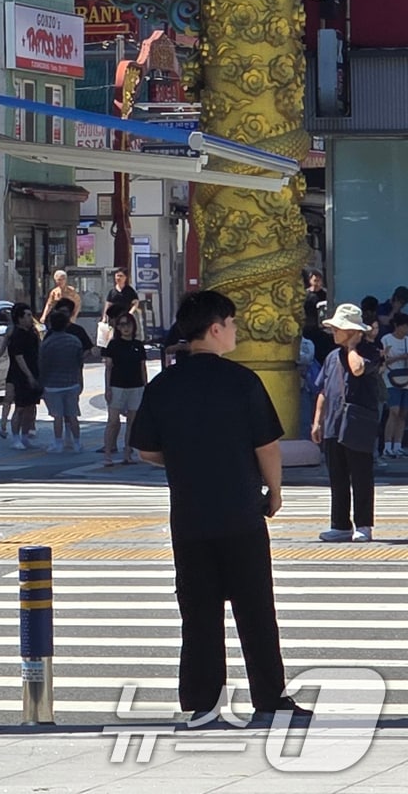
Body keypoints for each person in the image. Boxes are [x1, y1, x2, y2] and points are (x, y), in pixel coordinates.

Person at [128, 290, 311, 727]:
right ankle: (269, 695)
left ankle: (202, 699)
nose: (235, 330)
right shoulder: (241, 381)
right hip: (240, 511)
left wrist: (188, 456)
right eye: (231, 323)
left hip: (190, 515)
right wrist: (275, 491)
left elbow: (146, 451)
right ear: (215, 329)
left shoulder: (164, 384)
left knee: (198, 611)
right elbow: (266, 445)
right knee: (255, 609)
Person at [311, 303, 382, 542]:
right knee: (337, 476)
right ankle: (340, 524)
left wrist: (353, 346)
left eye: (339, 329)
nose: (334, 333)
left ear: (352, 331)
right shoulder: (331, 357)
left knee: (361, 475)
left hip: (357, 422)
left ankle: (363, 524)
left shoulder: (370, 352)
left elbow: (358, 369)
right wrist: (317, 421)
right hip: (334, 421)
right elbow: (322, 389)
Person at [101, 311, 147, 467]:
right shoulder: (113, 345)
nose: (125, 328)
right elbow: (108, 368)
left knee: (132, 422)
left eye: (128, 324)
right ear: (118, 328)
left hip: (136, 386)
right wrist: (107, 388)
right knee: (113, 421)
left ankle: (128, 452)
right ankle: (108, 454)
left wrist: (145, 386)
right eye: (122, 325)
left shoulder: (138, 345)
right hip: (117, 386)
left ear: (133, 326)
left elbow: (142, 368)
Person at [38, 309, 85, 453]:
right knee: (72, 415)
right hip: (71, 382)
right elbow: (79, 363)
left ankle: (58, 443)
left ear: (51, 325)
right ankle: (77, 443)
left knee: (57, 416)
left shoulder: (47, 343)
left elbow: (42, 365)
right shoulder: (74, 341)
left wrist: (41, 384)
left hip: (52, 384)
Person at [6, 303, 42, 450]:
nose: (29, 318)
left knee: (30, 407)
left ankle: (25, 436)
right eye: (27, 316)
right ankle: (15, 437)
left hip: (34, 371)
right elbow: (18, 357)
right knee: (20, 407)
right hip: (20, 375)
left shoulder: (32, 334)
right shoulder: (16, 336)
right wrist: (29, 375)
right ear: (19, 318)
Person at [383, 313, 408, 457]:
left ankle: (397, 445)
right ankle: (387, 445)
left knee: (403, 413)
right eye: (404, 326)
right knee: (394, 411)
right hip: (390, 378)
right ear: (397, 326)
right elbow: (383, 360)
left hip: (405, 379)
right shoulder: (386, 340)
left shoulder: (407, 340)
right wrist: (401, 357)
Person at [103, 268, 140, 339]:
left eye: (121, 276)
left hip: (126, 318)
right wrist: (104, 317)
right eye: (117, 276)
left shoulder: (129, 290)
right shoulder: (112, 291)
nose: (118, 278)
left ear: (125, 278)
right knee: (114, 337)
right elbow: (108, 305)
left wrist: (130, 313)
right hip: (114, 318)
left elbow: (136, 302)